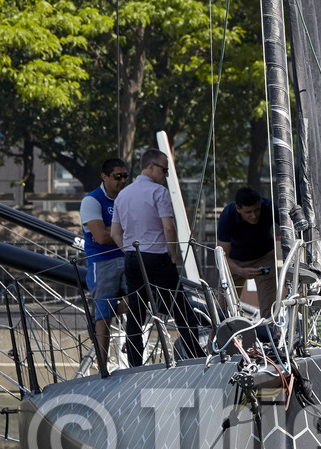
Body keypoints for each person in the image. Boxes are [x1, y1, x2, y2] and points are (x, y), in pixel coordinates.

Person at [112, 148, 201, 359]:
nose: (166, 175)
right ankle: (196, 355)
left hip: (133, 258)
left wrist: (129, 251)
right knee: (181, 309)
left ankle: (135, 363)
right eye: (164, 170)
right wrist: (173, 255)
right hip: (157, 257)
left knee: (136, 312)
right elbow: (169, 228)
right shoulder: (158, 192)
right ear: (151, 167)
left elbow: (115, 232)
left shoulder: (122, 195)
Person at [80, 158, 129, 367]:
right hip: (102, 261)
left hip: (126, 258)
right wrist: (122, 232)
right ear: (105, 177)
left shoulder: (126, 199)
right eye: (118, 177)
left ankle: (133, 355)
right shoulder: (92, 200)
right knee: (103, 317)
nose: (122, 181)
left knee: (142, 297)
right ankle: (102, 367)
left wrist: (115, 232)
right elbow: (100, 236)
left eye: (125, 176)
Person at [217, 186, 277, 316]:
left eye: (257, 210)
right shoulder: (227, 216)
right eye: (248, 212)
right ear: (238, 209)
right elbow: (222, 256)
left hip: (264, 257)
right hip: (234, 262)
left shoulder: (269, 207)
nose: (254, 216)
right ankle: (217, 336)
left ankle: (271, 334)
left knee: (270, 309)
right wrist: (240, 270)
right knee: (223, 310)